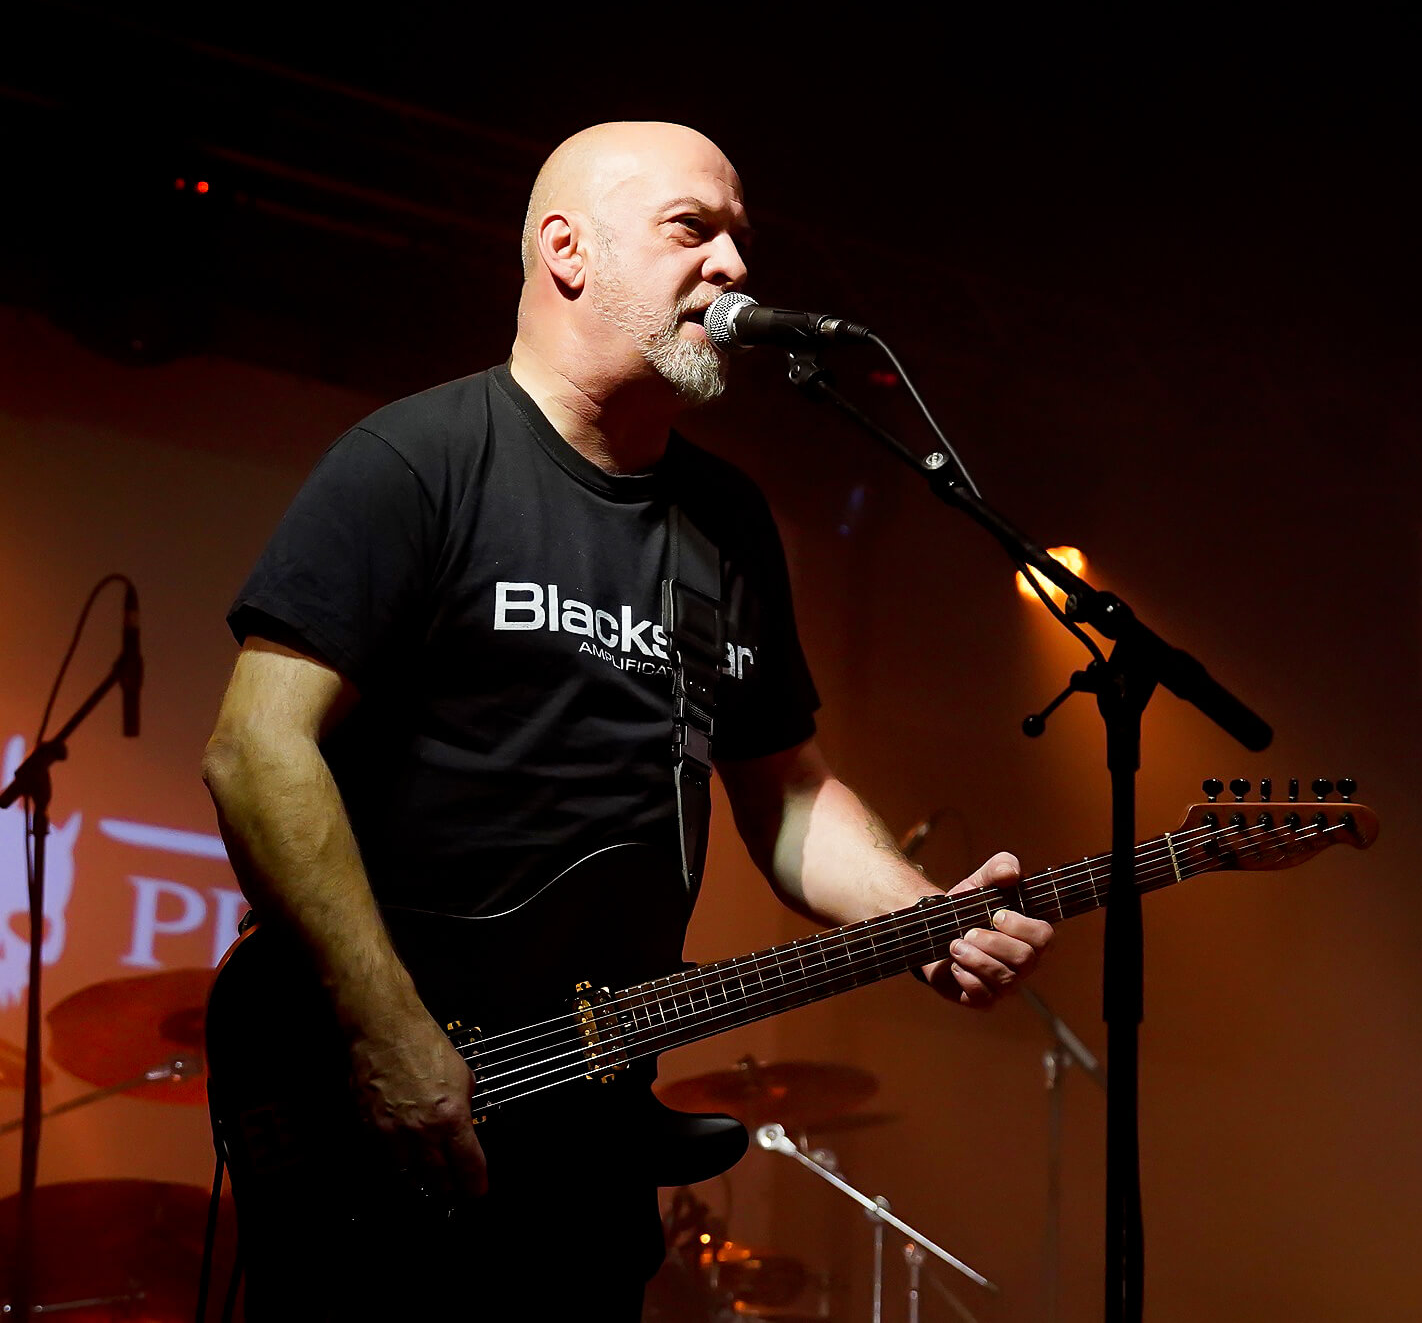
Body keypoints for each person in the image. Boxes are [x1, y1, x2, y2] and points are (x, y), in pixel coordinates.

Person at [199, 121, 1053, 1320]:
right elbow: (255, 749)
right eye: (691, 228)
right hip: (381, 1115)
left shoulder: (726, 521)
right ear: (567, 250)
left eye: (739, 238)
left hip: (587, 1130)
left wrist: (920, 916)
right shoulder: (419, 460)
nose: (733, 266)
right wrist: (388, 1031)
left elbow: (787, 793)